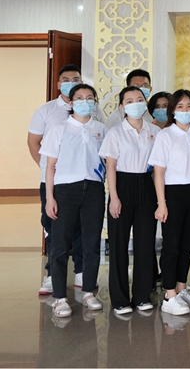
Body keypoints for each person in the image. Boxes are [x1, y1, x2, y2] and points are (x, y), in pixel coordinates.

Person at [28, 64, 102, 295]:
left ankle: (81, 272)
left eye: (76, 79)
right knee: (55, 229)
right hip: (56, 182)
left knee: (84, 231)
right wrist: (50, 170)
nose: (72, 83)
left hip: (89, 184)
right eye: (67, 80)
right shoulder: (47, 111)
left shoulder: (97, 119)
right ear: (60, 84)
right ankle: (53, 276)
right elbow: (34, 143)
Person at [40, 84, 107, 318]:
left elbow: (108, 162)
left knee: (91, 242)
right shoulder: (59, 129)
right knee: (60, 244)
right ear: (71, 103)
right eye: (79, 98)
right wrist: (50, 198)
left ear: (95, 102)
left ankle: (88, 291)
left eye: (89, 98)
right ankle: (59, 297)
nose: (84, 101)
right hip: (65, 190)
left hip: (94, 189)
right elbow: (50, 166)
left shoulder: (101, 129)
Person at [99, 86, 161, 315]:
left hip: (146, 184)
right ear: (122, 106)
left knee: (145, 244)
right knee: (119, 245)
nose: (135, 103)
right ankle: (120, 299)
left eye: (139, 99)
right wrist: (114, 197)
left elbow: (158, 167)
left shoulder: (155, 131)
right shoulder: (115, 132)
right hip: (122, 186)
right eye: (129, 100)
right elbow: (111, 167)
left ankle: (142, 296)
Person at [148, 89, 190, 316]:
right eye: (180, 106)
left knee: (187, 245)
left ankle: (181, 288)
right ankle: (169, 294)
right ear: (172, 110)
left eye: (189, 106)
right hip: (173, 193)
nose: (185, 110)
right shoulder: (166, 135)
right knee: (171, 245)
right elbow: (158, 172)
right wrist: (161, 203)